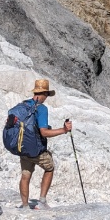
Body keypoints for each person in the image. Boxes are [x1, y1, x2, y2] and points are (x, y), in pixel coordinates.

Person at [18, 78, 73, 209]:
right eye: (47, 94)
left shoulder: (24, 105)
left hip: (22, 147)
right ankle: (42, 202)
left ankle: (25, 205)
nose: (47, 97)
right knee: (49, 168)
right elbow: (44, 133)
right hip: (36, 148)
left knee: (25, 175)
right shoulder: (41, 109)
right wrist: (64, 130)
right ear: (45, 93)